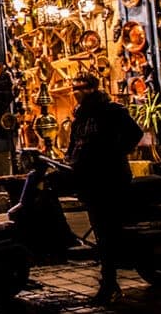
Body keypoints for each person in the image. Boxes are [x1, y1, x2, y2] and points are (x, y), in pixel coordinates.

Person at [67, 72, 143, 304]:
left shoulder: (111, 111)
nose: (76, 92)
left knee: (107, 231)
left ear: (92, 89)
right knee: (100, 231)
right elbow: (75, 142)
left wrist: (114, 153)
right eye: (74, 88)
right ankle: (109, 279)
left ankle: (110, 283)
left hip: (110, 178)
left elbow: (135, 133)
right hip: (89, 179)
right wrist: (69, 158)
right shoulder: (80, 116)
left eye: (80, 88)